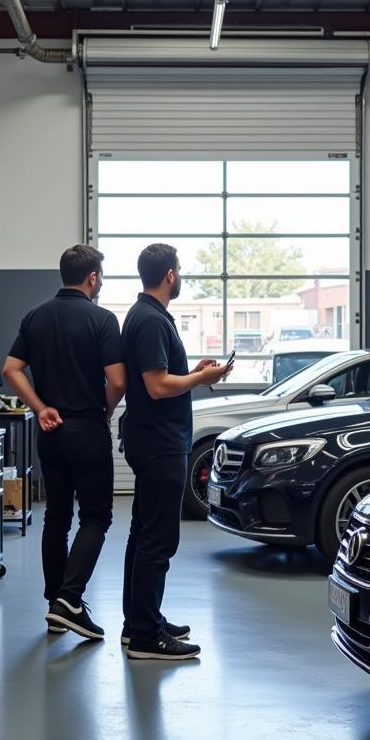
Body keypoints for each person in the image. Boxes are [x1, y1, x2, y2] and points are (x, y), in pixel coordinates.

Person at [2, 244, 126, 641]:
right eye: (101, 276)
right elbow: (119, 381)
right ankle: (69, 600)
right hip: (87, 430)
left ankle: (55, 602)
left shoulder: (35, 316)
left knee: (56, 517)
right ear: (92, 277)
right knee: (96, 516)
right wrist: (104, 410)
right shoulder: (103, 320)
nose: (101, 283)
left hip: (51, 433)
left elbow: (11, 370)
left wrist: (40, 407)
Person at [120, 243, 232, 661]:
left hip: (153, 439)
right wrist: (201, 378)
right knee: (158, 540)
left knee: (143, 533)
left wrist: (194, 372)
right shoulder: (149, 320)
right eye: (180, 270)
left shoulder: (148, 316)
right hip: (159, 443)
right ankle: (147, 638)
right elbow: (157, 385)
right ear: (169, 275)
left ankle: (140, 624)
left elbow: (163, 377)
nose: (180, 276)